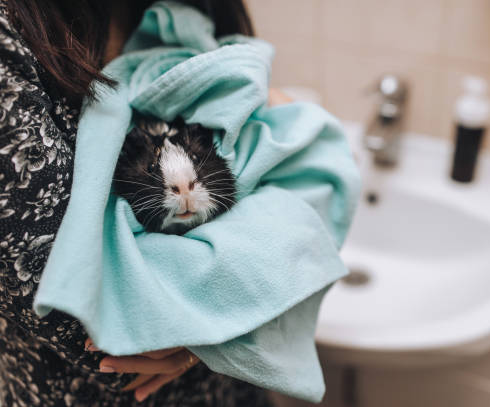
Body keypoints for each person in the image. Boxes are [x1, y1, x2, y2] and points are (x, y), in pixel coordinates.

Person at [0, 0, 288, 405]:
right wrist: (227, 314)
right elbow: (94, 319)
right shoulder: (9, 36)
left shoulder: (192, 13)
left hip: (232, 388)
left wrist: (207, 332)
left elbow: (291, 195)